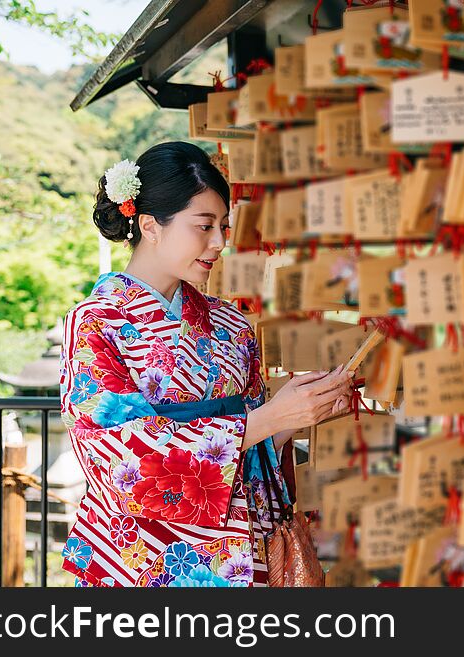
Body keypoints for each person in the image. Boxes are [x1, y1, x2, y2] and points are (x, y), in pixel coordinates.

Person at [59, 141, 353, 587]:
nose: (219, 242)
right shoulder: (96, 322)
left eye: (223, 226)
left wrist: (295, 414)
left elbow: (255, 449)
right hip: (143, 555)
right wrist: (267, 419)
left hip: (239, 551)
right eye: (203, 226)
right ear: (150, 225)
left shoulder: (231, 323)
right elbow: (118, 460)